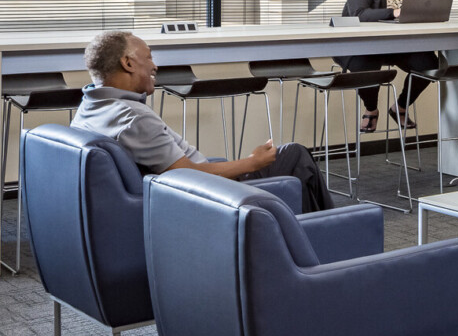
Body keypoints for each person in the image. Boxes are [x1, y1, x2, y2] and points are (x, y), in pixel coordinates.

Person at [74, 31, 336, 212]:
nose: (154, 66)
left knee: (289, 158)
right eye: (149, 56)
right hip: (209, 195)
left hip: (181, 187)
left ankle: (312, 230)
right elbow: (183, 174)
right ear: (128, 63)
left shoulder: (90, 105)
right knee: (296, 156)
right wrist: (252, 162)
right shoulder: (133, 118)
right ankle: (322, 236)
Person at [338, 0, 438, 133]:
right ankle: (371, 109)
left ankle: (400, 106)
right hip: (364, 46)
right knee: (364, 68)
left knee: (430, 66)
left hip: (401, 45)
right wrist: (394, 12)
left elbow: (425, 9)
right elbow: (358, 13)